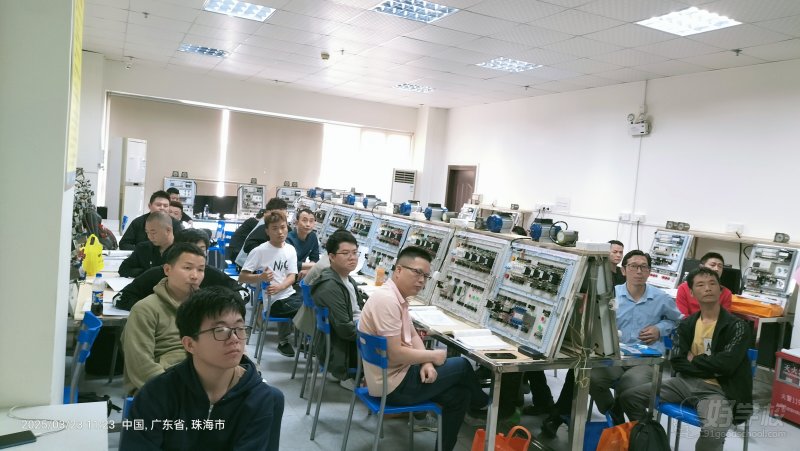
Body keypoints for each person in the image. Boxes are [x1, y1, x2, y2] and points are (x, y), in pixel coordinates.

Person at [120, 286, 284, 451]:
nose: (234, 338)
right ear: (190, 344)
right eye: (220, 330)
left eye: (239, 329)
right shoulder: (156, 394)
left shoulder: (259, 397)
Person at [358, 246, 488, 451]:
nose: (422, 281)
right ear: (398, 270)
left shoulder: (395, 297)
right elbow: (395, 354)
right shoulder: (387, 301)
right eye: (417, 273)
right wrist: (433, 356)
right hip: (393, 387)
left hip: (393, 377)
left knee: (460, 395)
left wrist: (427, 362)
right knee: (462, 365)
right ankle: (484, 404)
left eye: (426, 276)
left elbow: (412, 335)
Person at [622, 267, 753, 451]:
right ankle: (652, 442)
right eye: (700, 284)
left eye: (712, 283)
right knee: (629, 397)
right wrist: (708, 364)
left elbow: (727, 365)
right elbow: (677, 361)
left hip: (718, 391)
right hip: (683, 383)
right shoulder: (686, 324)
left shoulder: (737, 327)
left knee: (714, 431)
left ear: (720, 290)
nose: (707, 288)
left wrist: (694, 360)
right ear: (691, 292)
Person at [589, 250, 682, 423]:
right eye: (633, 266)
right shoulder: (611, 294)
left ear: (649, 271)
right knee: (590, 377)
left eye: (643, 267)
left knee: (628, 385)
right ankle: (613, 412)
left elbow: (678, 321)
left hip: (646, 361)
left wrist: (659, 329)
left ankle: (637, 429)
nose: (639, 271)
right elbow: (596, 319)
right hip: (616, 357)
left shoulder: (661, 298)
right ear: (623, 270)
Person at [121, 243, 206, 394]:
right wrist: (177, 391)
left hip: (204, 379)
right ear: (167, 270)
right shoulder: (145, 310)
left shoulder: (208, 307)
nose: (195, 276)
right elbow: (141, 365)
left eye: (200, 270)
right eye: (187, 268)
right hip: (162, 386)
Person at [114, 229, 243, 311]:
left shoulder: (210, 273)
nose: (195, 276)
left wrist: (215, 308)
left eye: (201, 249)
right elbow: (120, 298)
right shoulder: (158, 273)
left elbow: (242, 292)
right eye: (189, 249)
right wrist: (155, 310)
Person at [239, 210, 302, 357]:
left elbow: (292, 275)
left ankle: (304, 342)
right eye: (275, 228)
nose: (280, 232)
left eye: (283, 227)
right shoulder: (260, 251)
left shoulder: (290, 249)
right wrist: (260, 277)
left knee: (315, 303)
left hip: (289, 295)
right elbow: (242, 277)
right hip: (274, 302)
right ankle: (289, 342)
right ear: (267, 231)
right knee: (308, 309)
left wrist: (280, 286)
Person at [310, 230, 363, 390]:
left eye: (355, 252)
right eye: (345, 253)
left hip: (345, 338)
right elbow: (345, 330)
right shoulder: (330, 286)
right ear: (332, 257)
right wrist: (372, 333)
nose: (352, 257)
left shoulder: (346, 278)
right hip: (342, 348)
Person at [235, 198, 290, 267]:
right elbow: (249, 245)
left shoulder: (269, 223)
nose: (286, 216)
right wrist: (267, 254)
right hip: (246, 264)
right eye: (282, 213)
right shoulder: (265, 225)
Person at [118, 211, 174, 278]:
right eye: (147, 232)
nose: (149, 237)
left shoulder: (181, 251)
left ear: (168, 230)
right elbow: (123, 269)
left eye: (153, 233)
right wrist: (146, 273)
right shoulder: (143, 248)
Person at [676, 252, 733, 316]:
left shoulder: (726, 293)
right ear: (701, 267)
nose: (717, 269)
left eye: (720, 266)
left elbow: (724, 318)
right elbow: (681, 316)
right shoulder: (684, 288)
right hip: (688, 321)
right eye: (712, 265)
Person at [286, 208, 320, 281]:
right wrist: (313, 266)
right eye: (304, 220)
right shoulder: (288, 239)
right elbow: (288, 264)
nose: (308, 224)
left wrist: (308, 270)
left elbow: (315, 258)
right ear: (296, 222)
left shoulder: (312, 236)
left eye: (311, 221)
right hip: (286, 276)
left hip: (300, 276)